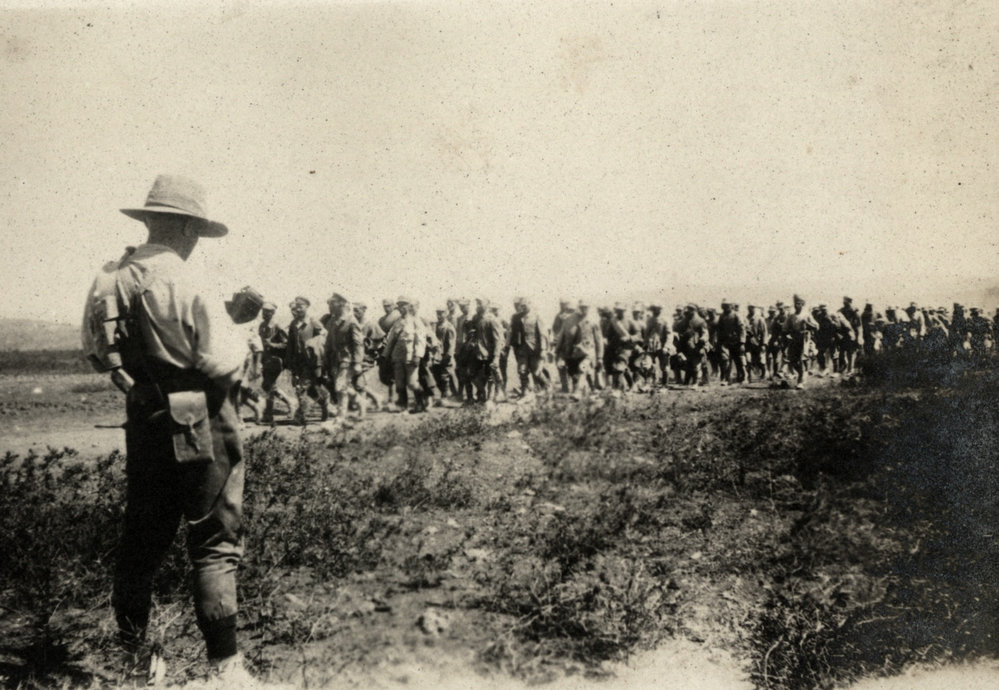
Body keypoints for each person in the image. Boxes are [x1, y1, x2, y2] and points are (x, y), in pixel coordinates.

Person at [81, 175, 256, 683]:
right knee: (213, 541)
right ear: (186, 226)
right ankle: (226, 669)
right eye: (196, 229)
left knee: (143, 537)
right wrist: (239, 330)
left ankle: (138, 661)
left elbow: (98, 352)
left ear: (148, 220)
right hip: (200, 415)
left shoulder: (109, 277)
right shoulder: (185, 278)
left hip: (145, 414)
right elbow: (218, 360)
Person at [322, 293, 366, 419]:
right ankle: (361, 401)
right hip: (335, 360)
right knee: (342, 386)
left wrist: (358, 363)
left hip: (347, 359)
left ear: (341, 304)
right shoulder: (332, 321)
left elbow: (358, 344)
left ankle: (340, 417)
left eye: (332, 303)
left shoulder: (351, 321)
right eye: (329, 303)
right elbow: (329, 342)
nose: (329, 306)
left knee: (340, 387)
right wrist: (326, 358)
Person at [285, 296, 327, 425]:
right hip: (298, 361)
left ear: (307, 307)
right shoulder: (293, 324)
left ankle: (300, 416)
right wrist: (289, 361)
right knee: (310, 389)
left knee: (302, 387)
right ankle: (324, 403)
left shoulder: (313, 322)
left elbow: (324, 335)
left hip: (311, 361)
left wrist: (313, 343)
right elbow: (291, 344)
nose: (298, 308)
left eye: (301, 305)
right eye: (296, 306)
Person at [381, 296, 427, 412]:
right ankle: (403, 406)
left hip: (410, 357)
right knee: (400, 383)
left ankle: (421, 403)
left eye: (404, 305)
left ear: (409, 306)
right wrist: (385, 355)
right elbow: (391, 340)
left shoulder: (416, 321)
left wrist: (418, 356)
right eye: (399, 306)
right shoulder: (397, 322)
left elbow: (420, 340)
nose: (401, 308)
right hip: (397, 357)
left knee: (412, 383)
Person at [257, 302, 294, 423]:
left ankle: (269, 414)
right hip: (266, 360)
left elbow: (286, 344)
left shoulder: (277, 326)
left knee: (269, 385)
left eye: (268, 311)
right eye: (263, 311)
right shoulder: (262, 326)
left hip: (276, 360)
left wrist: (271, 344)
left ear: (273, 313)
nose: (264, 313)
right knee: (267, 386)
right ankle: (291, 403)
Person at [510, 297, 548, 399]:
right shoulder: (517, 317)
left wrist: (543, 349)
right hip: (522, 349)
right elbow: (512, 332)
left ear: (530, 304)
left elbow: (543, 334)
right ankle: (525, 393)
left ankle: (547, 387)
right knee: (522, 371)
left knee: (537, 372)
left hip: (534, 349)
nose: (523, 308)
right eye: (521, 306)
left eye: (525, 306)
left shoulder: (536, 316)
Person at [783, 294, 818, 388]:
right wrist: (787, 334)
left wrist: (807, 323)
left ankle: (800, 382)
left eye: (799, 304)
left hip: (804, 338)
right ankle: (802, 374)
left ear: (803, 304)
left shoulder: (806, 315)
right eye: (795, 303)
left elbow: (816, 326)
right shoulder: (791, 316)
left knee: (801, 359)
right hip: (794, 338)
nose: (797, 305)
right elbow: (785, 328)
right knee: (792, 361)